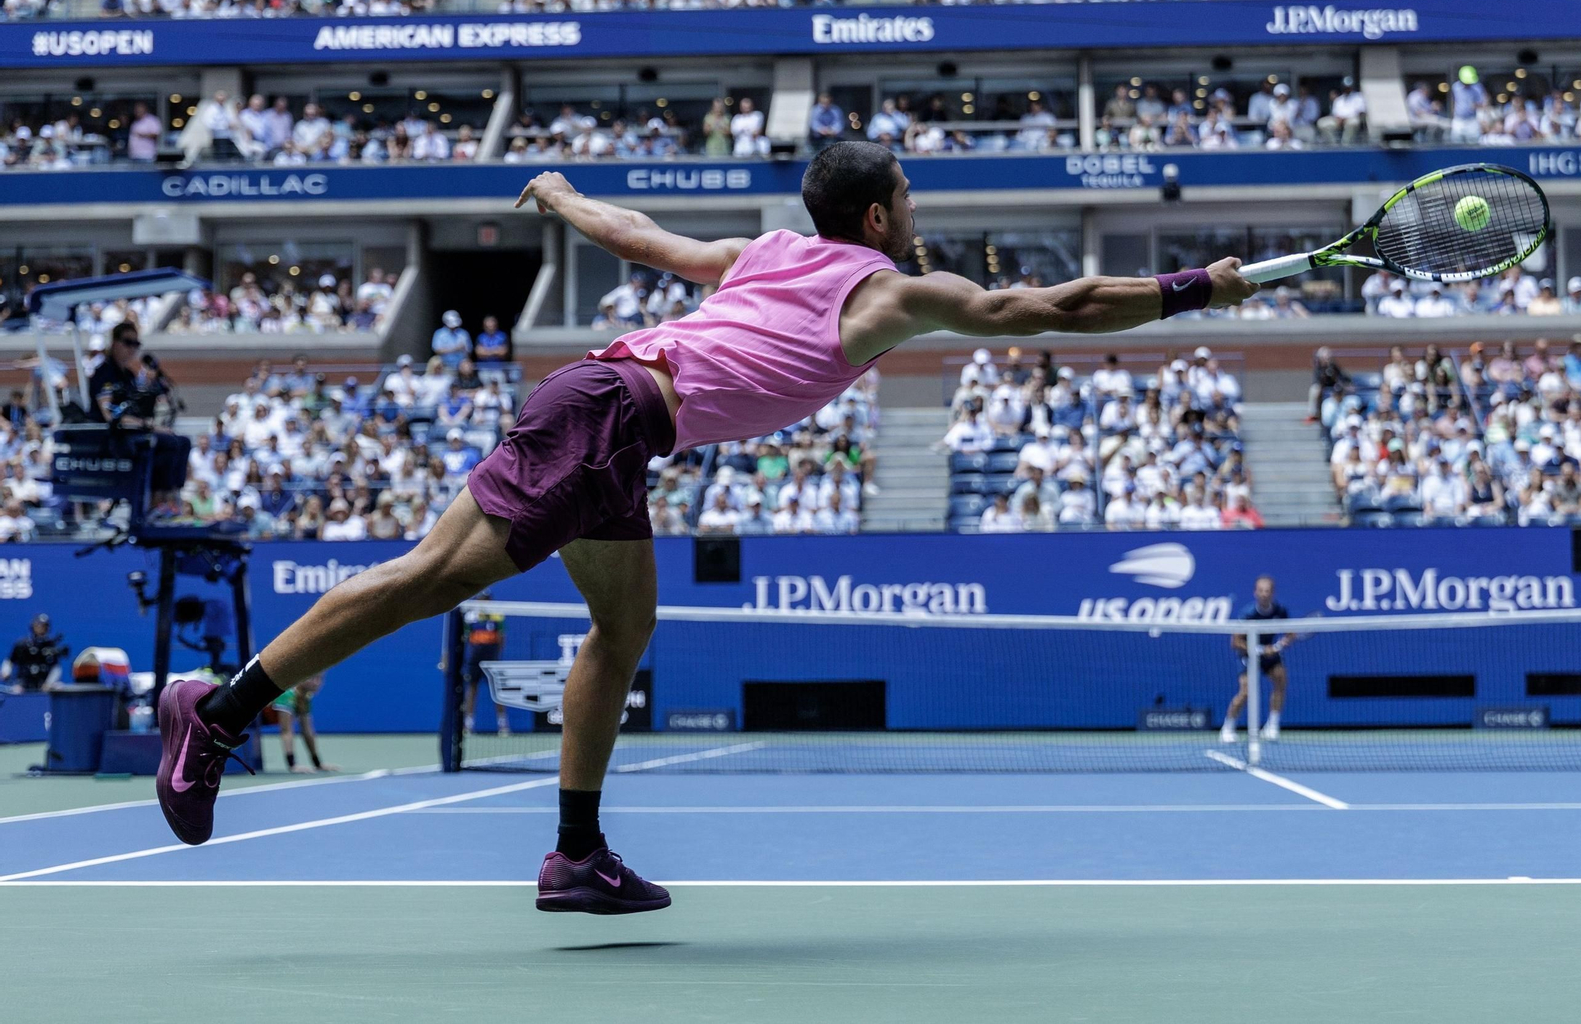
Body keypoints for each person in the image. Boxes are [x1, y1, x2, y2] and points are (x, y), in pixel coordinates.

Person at [152, 143, 1256, 915]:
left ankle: (576, 856)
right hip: (610, 413)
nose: (915, 214)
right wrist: (1194, 286)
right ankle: (221, 707)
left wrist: (565, 195)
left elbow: (641, 238)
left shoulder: (770, 252)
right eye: (908, 198)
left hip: (616, 418)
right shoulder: (881, 293)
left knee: (623, 627)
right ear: (875, 218)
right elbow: (1047, 309)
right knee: (429, 579)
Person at [88, 321, 190, 514]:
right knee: (167, 444)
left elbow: (136, 411)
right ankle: (154, 505)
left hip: (132, 432)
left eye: (136, 344)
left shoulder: (128, 374)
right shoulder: (104, 374)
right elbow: (112, 416)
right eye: (128, 342)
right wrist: (149, 426)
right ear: (115, 343)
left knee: (182, 442)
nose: (133, 348)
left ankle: (170, 499)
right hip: (113, 439)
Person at [1220, 576, 1295, 744]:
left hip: (1270, 655)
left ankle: (1272, 727)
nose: (1263, 594)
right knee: (1246, 691)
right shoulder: (1248, 614)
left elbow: (1291, 633)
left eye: (1267, 591)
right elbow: (1235, 642)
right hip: (1249, 654)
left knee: (1281, 679)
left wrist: (1280, 645)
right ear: (1255, 593)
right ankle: (1228, 727)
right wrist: (1259, 650)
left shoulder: (1280, 611)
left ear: (1272, 593)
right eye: (1260, 591)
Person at [461, 595, 510, 737]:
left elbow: (501, 638)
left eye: (486, 599)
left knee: (497, 692)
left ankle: (503, 725)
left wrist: (495, 656)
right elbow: (466, 638)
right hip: (475, 659)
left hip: (492, 659)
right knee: (472, 689)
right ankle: (468, 725)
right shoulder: (470, 617)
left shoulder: (497, 616)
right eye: (481, 599)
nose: (483, 601)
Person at [271, 673, 337, 773]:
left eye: (320, 679)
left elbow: (307, 731)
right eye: (312, 678)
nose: (316, 683)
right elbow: (286, 731)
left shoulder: (305, 697)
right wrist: (293, 765)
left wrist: (317, 764)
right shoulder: (287, 694)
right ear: (300, 677)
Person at [1, 613, 66, 692]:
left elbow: (56, 667)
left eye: (43, 626)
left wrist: (49, 683)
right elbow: (10, 660)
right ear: (32, 626)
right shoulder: (22, 644)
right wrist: (6, 672)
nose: (40, 628)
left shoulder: (51, 646)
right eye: (38, 625)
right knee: (15, 691)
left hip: (44, 684)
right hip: (23, 683)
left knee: (59, 687)